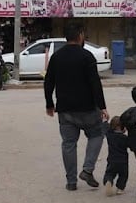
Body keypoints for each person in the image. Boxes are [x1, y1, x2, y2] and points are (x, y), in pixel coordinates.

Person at [44, 23, 109, 190]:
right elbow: (95, 83)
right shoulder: (87, 56)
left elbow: (48, 82)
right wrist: (102, 106)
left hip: (65, 110)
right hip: (87, 108)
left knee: (68, 144)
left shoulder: (56, 57)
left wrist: (49, 104)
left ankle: (71, 182)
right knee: (97, 134)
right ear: (80, 36)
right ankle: (87, 170)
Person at [102, 116, 129, 196]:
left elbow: (105, 126)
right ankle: (120, 189)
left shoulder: (109, 135)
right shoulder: (125, 138)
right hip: (123, 161)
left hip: (112, 159)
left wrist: (104, 120)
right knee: (123, 175)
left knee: (109, 173)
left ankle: (108, 181)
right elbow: (132, 144)